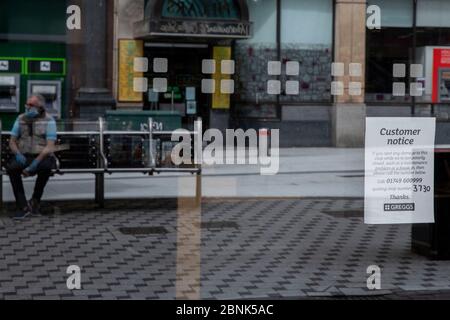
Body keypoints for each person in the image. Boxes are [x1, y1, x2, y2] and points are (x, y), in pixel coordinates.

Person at [7, 94, 57, 220]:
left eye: (30, 105)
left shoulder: (49, 121)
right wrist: (17, 154)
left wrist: (33, 165)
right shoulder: (20, 118)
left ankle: (35, 202)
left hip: (42, 155)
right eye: (27, 104)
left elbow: (49, 146)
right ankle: (23, 206)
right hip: (24, 155)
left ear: (39, 107)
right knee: (12, 169)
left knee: (45, 168)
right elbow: (12, 141)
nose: (27, 107)